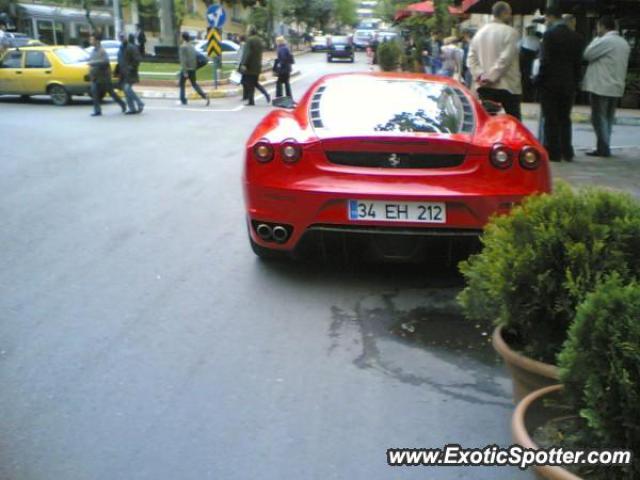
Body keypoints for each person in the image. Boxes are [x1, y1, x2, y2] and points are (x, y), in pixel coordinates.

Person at [536, 5, 584, 162]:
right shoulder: (576, 37)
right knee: (565, 118)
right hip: (568, 83)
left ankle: (554, 152)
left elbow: (545, 61)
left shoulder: (549, 35)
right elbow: (578, 64)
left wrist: (538, 79)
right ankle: (567, 151)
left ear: (550, 17)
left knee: (551, 119)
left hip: (550, 83)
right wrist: (576, 82)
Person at [582, 15, 630, 158]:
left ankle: (603, 147)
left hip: (601, 85)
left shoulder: (605, 41)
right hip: (616, 85)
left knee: (599, 117)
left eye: (598, 27)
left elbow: (587, 54)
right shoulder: (623, 42)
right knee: (608, 118)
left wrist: (596, 38)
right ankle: (605, 144)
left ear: (602, 26)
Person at [467, 1, 522, 119]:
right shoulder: (511, 33)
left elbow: (471, 58)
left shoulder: (479, 33)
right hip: (508, 86)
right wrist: (490, 77)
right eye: (509, 13)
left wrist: (480, 75)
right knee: (513, 124)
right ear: (505, 13)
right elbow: (505, 59)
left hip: (484, 87)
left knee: (486, 122)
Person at [88, 34, 126, 117]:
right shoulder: (93, 51)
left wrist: (93, 63)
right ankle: (97, 110)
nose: (90, 41)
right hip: (95, 77)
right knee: (94, 93)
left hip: (104, 77)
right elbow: (90, 62)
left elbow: (105, 61)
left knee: (111, 92)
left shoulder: (102, 51)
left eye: (92, 39)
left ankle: (123, 104)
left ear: (97, 41)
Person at [239, 28, 270, 106]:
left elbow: (247, 53)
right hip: (257, 66)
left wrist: (243, 64)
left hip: (250, 66)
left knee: (250, 84)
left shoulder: (249, 40)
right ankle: (266, 94)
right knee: (255, 83)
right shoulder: (259, 40)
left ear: (250, 32)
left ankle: (251, 101)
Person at [178, 32, 209, 106]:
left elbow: (183, 60)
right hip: (193, 69)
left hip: (186, 69)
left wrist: (185, 71)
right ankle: (204, 96)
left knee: (181, 84)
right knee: (194, 84)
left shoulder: (183, 47)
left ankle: (183, 100)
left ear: (182, 38)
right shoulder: (192, 46)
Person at [117, 33, 145, 114]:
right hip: (123, 73)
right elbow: (120, 61)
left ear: (126, 38)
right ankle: (132, 108)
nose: (122, 39)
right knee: (126, 91)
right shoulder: (121, 48)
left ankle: (140, 103)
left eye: (123, 37)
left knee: (127, 89)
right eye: (120, 37)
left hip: (130, 73)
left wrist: (131, 68)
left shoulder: (131, 47)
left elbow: (137, 59)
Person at [519, 25, 541, 102]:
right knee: (531, 79)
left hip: (523, 62)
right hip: (532, 62)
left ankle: (524, 97)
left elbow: (517, 49)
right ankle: (531, 97)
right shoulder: (538, 40)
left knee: (523, 79)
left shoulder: (524, 39)